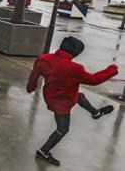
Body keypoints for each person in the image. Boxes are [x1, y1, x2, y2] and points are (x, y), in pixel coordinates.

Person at [27, 36, 118, 166]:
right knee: (62, 129)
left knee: (79, 95)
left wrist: (30, 88)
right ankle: (43, 151)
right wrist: (111, 70)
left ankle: (95, 113)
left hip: (51, 94)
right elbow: (94, 80)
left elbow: (33, 76)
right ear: (75, 53)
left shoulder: (43, 59)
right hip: (61, 103)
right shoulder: (75, 68)